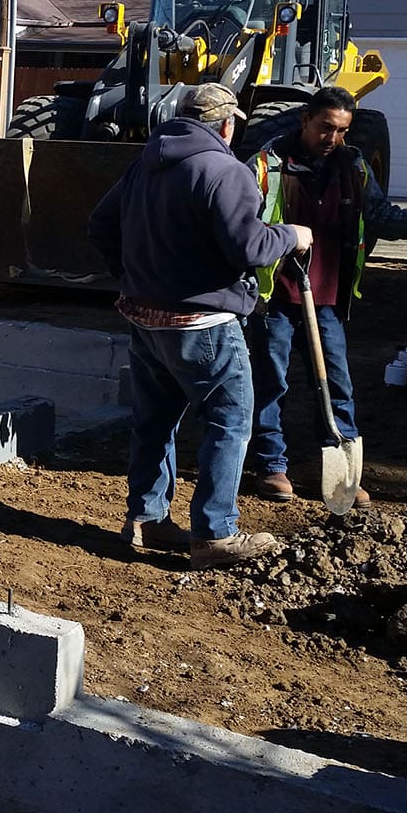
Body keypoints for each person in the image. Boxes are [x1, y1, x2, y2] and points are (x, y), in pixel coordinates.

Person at [89, 83, 313, 570]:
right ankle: (215, 534)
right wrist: (291, 234)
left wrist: (132, 276)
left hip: (145, 317)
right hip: (203, 322)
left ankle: (146, 519)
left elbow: (100, 224)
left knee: (154, 421)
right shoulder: (225, 171)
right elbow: (250, 247)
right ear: (227, 125)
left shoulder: (145, 165)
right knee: (229, 421)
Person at [244, 86, 407, 504]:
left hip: (328, 298)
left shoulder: (354, 166)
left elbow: (381, 216)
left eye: (342, 130)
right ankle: (271, 464)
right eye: (325, 127)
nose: (332, 138)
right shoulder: (268, 165)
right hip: (276, 297)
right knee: (271, 383)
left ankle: (342, 468)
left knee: (337, 384)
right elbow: (242, 225)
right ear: (305, 120)